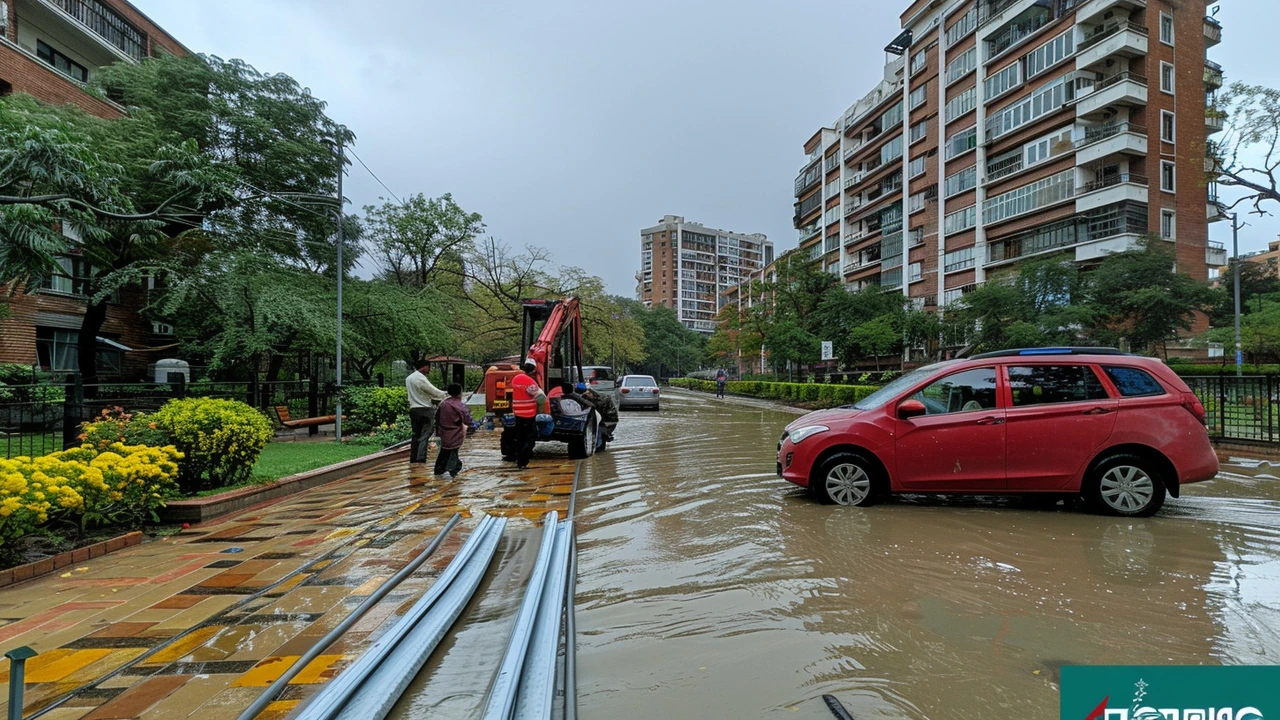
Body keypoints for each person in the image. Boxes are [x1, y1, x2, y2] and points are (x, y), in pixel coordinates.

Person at [407, 359, 447, 464]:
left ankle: (413, 458)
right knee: (425, 435)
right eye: (429, 367)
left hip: (413, 409)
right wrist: (446, 394)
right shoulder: (420, 378)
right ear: (424, 367)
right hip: (424, 410)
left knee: (415, 435)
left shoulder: (409, 378)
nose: (429, 370)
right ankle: (421, 459)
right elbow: (433, 391)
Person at [509, 358, 547, 469]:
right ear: (533, 370)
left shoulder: (515, 379)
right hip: (529, 414)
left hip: (518, 413)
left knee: (520, 437)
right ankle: (524, 462)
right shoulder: (529, 381)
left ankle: (519, 461)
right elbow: (540, 398)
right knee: (529, 437)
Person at [433, 384, 471, 477]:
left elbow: (436, 419)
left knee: (444, 452)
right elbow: (468, 420)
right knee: (453, 454)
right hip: (455, 435)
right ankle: (453, 475)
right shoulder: (459, 405)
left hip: (443, 434)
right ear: (459, 394)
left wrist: (437, 432)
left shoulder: (443, 404)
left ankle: (439, 471)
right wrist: (473, 427)